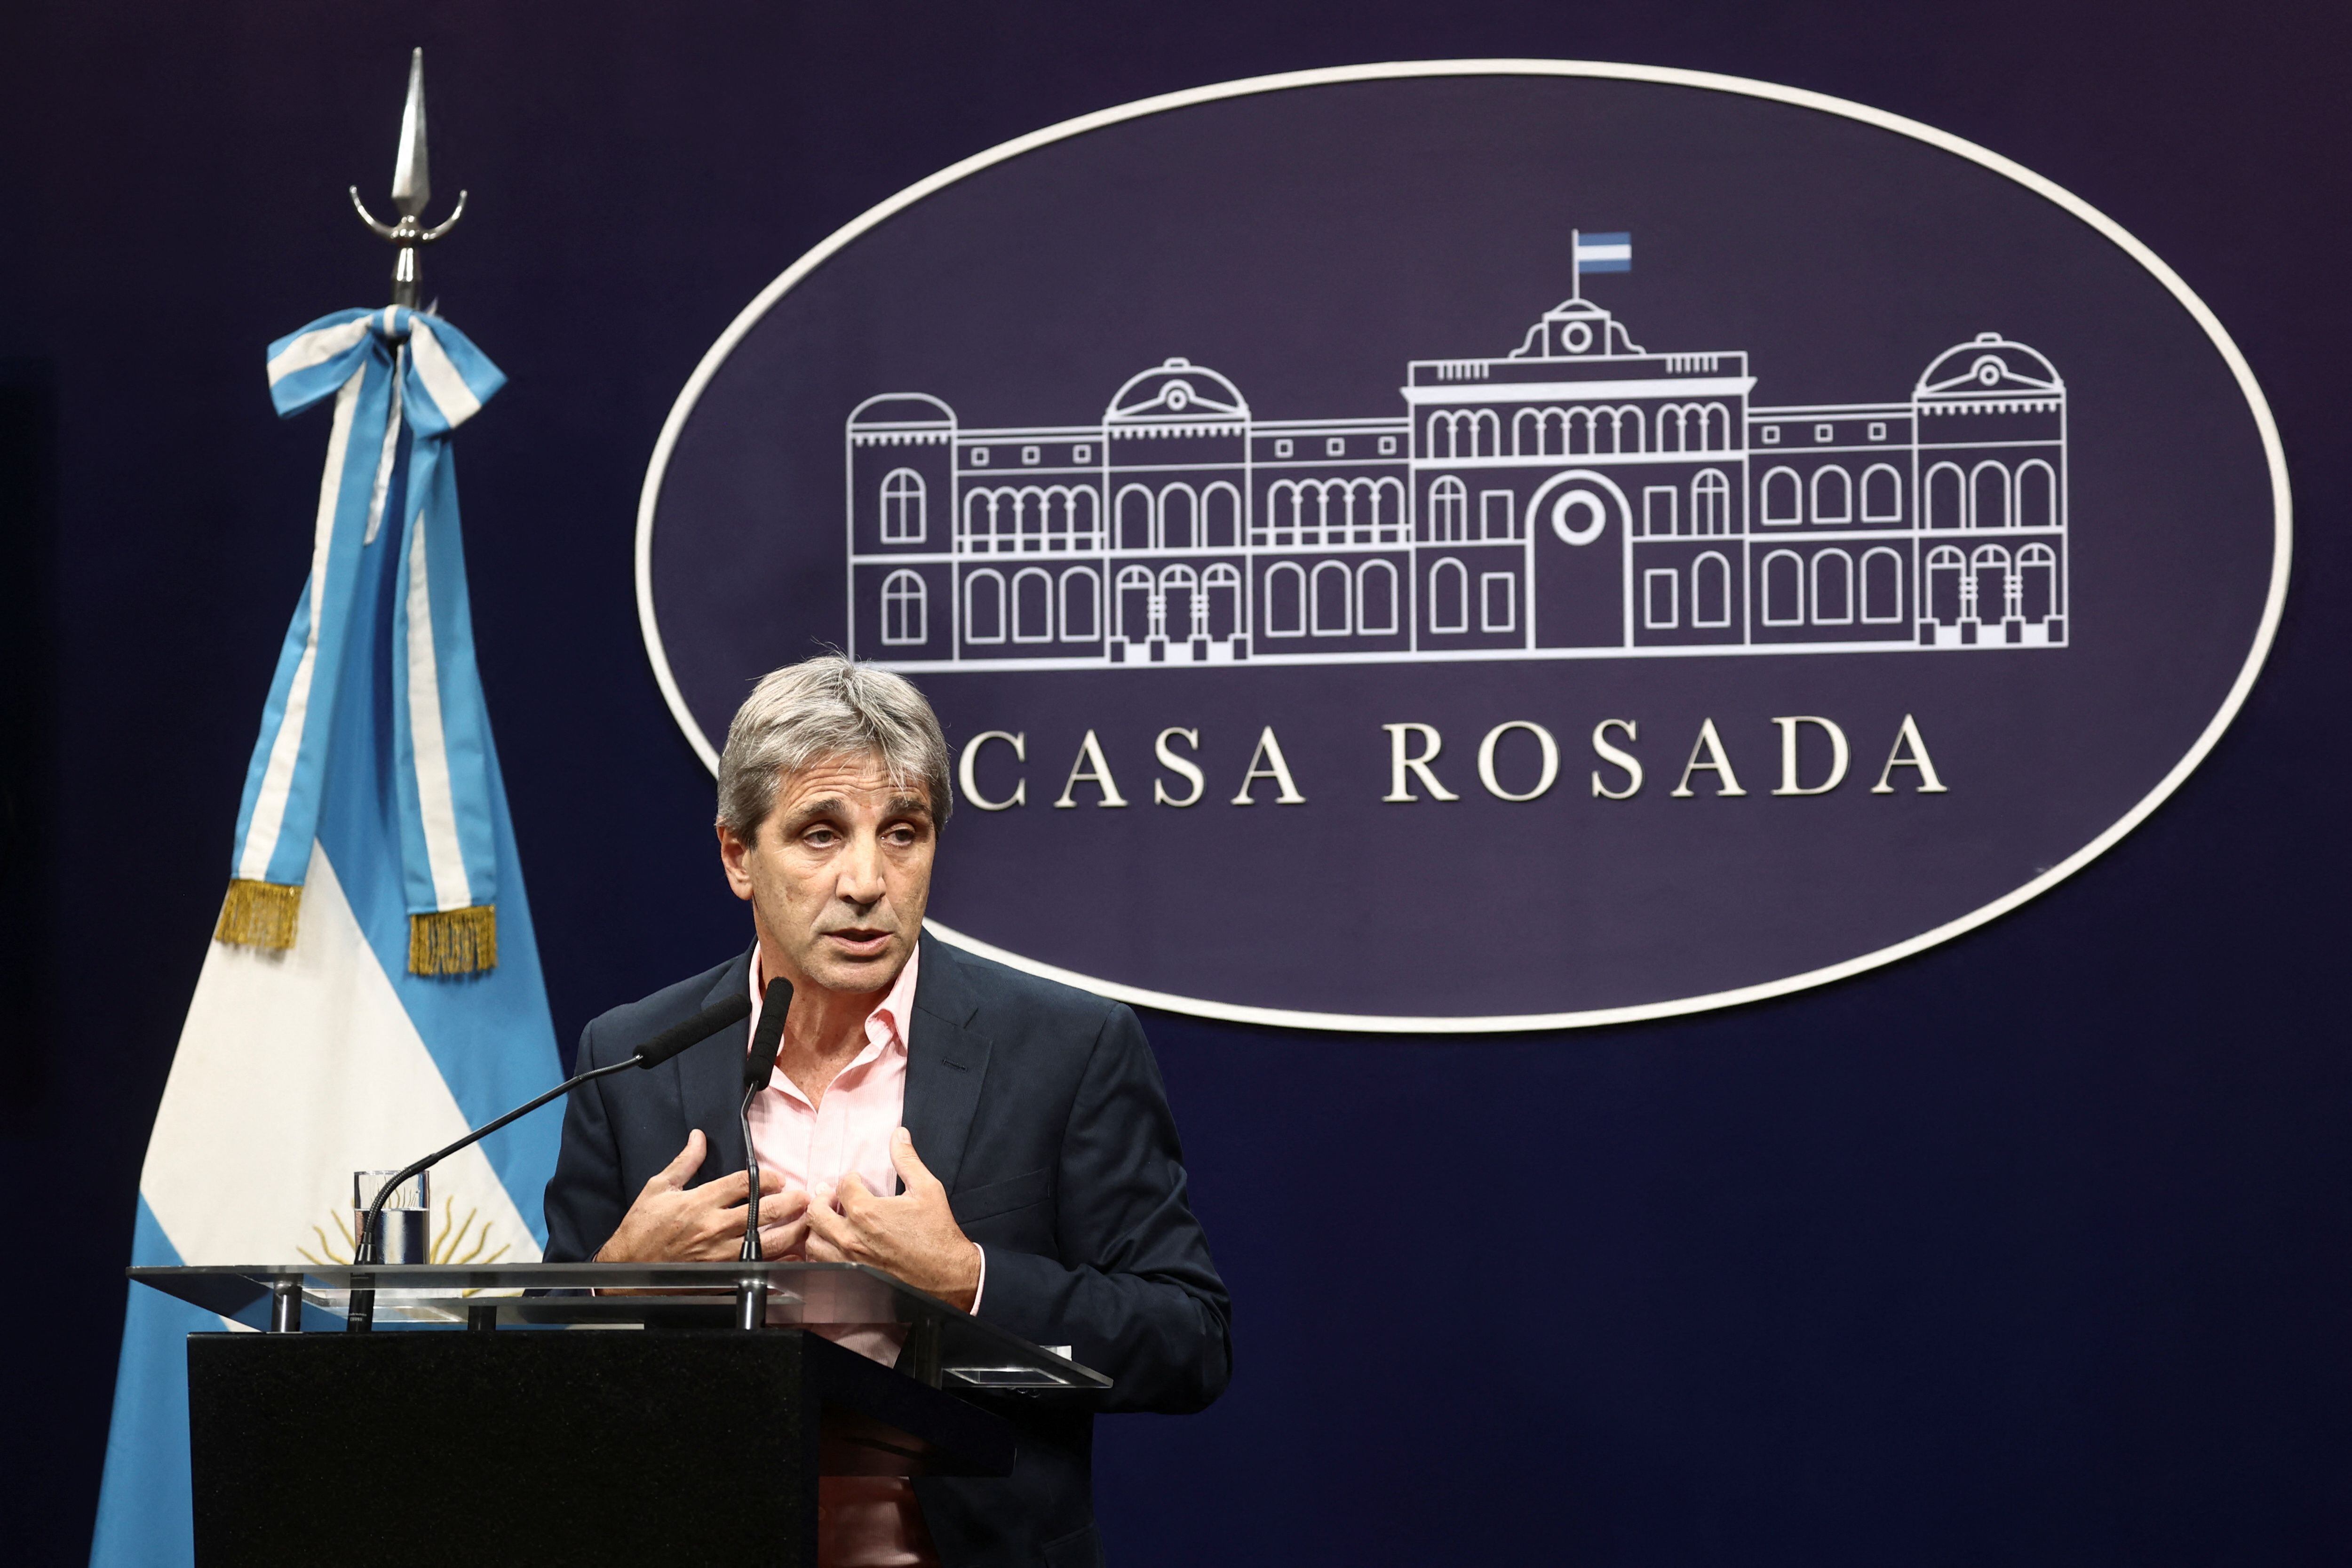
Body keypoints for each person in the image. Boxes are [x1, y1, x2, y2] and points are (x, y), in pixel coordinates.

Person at [543, 656, 1231, 1568]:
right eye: (820, 834)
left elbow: (1188, 1339)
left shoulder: (1065, 1047)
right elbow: (536, 1370)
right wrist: (616, 1281)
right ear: (738, 855)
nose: (867, 879)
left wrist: (970, 1281)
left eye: (901, 832)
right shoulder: (632, 1053)